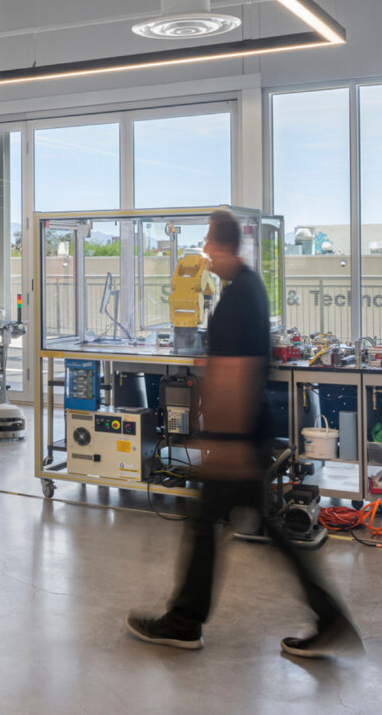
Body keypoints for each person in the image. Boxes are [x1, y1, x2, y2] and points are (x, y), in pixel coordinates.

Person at [125, 209, 361, 659]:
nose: (206, 254)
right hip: (246, 438)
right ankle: (328, 618)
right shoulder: (250, 288)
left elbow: (234, 376)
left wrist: (222, 446)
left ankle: (185, 621)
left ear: (224, 245)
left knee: (208, 527)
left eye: (210, 244)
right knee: (259, 531)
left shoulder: (236, 301)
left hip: (236, 442)